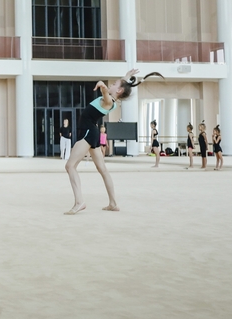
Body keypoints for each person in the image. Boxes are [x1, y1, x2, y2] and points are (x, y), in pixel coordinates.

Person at [64, 69, 163, 215]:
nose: (112, 84)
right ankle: (113, 203)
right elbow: (116, 90)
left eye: (115, 84)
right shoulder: (114, 100)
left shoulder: (108, 101)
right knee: (102, 169)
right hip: (93, 132)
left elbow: (106, 95)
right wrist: (127, 77)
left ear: (119, 90)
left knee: (70, 166)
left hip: (88, 132)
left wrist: (102, 86)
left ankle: (79, 202)